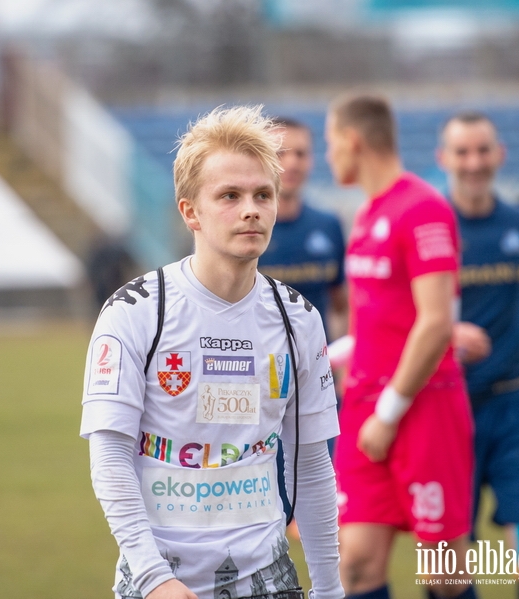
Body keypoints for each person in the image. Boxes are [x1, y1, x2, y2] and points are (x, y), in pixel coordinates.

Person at [81, 105, 342, 599]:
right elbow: (109, 456)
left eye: (263, 194)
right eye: (230, 195)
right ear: (189, 211)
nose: (251, 209)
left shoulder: (298, 319)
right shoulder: (136, 311)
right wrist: (154, 576)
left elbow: (312, 463)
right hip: (157, 582)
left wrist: (330, 589)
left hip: (269, 579)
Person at [325, 94, 475, 599]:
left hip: (421, 407)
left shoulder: (424, 208)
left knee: (444, 575)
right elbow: (383, 324)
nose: (330, 157)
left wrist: (390, 413)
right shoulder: (367, 213)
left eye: (329, 143)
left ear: (352, 141)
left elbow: (435, 324)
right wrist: (325, 357)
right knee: (357, 565)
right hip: (364, 408)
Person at [437, 111, 519, 599]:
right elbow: (396, 318)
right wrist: (444, 332)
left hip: (517, 407)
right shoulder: (428, 227)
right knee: (445, 565)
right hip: (446, 408)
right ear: (443, 158)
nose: (473, 162)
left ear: (500, 154)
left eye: (482, 150)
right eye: (462, 152)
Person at [257, 117, 347, 341]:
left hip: (316, 370)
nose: (292, 163)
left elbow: (342, 305)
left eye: (300, 154)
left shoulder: (328, 226)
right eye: (281, 153)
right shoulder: (243, 228)